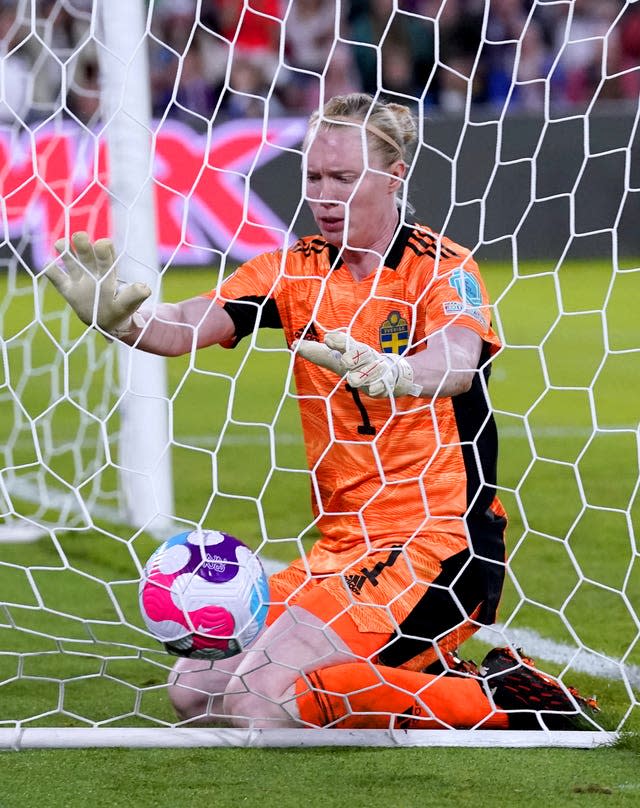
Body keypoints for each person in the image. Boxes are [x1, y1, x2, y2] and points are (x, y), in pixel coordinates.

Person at [43, 92, 598, 731]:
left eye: (344, 177)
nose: (324, 194)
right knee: (192, 693)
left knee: (263, 702)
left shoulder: (441, 268)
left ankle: (500, 698)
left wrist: (393, 371)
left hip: (439, 545)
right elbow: (181, 326)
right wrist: (124, 320)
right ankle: (427, 673)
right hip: (343, 548)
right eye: (314, 176)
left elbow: (457, 359)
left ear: (394, 177)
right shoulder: (292, 271)